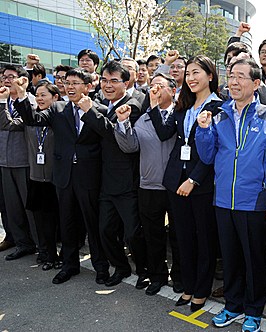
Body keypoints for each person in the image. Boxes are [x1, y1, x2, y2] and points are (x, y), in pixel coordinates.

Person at [196, 58, 266, 332]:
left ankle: (254, 310)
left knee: (253, 259)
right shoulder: (220, 114)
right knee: (231, 257)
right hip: (223, 199)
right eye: (231, 76)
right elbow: (208, 155)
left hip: (254, 200)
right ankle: (233, 305)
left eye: (241, 77)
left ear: (256, 83)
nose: (233, 82)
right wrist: (202, 130)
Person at [16, 68, 109, 284]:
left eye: (76, 83)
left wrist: (90, 112)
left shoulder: (100, 109)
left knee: (92, 224)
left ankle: (101, 266)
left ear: (87, 86)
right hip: (64, 176)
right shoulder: (57, 108)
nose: (70, 86)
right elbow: (33, 119)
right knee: (66, 222)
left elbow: (107, 136)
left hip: (89, 176)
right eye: (67, 83)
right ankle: (69, 265)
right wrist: (21, 94)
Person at [148, 55, 221, 312]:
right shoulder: (183, 106)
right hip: (175, 182)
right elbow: (164, 133)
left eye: (196, 72)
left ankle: (201, 289)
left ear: (210, 75)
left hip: (201, 184)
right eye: (188, 73)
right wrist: (155, 105)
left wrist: (194, 179)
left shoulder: (219, 108)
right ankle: (189, 287)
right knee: (182, 238)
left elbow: (215, 151)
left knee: (204, 239)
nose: (190, 77)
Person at [80, 61, 147, 288]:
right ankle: (121, 267)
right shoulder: (102, 104)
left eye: (114, 81)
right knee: (105, 230)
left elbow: (114, 135)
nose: (108, 85)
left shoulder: (133, 105)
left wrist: (90, 112)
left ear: (126, 83)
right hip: (106, 182)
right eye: (105, 80)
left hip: (127, 182)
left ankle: (144, 270)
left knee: (132, 234)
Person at [114, 73, 182, 296]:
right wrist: (123, 123)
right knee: (153, 235)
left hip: (176, 186)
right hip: (149, 185)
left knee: (178, 235)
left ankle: (180, 277)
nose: (155, 90)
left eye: (160, 86)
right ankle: (157, 275)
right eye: (152, 86)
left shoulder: (180, 116)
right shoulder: (142, 118)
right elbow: (130, 147)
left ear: (172, 90)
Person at [0, 80, 61, 270]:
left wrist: (22, 93)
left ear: (56, 97)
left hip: (56, 178)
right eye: (39, 94)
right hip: (36, 177)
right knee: (40, 219)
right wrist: (8, 98)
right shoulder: (29, 118)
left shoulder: (59, 116)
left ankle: (63, 255)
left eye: (45, 95)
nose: (41, 98)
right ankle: (45, 253)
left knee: (58, 220)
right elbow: (10, 122)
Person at [0, 65, 40, 262]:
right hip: (4, 163)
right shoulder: (2, 101)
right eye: (4, 76)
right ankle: (22, 243)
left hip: (24, 162)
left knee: (30, 208)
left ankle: (41, 245)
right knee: (12, 207)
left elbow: (11, 125)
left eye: (12, 77)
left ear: (23, 80)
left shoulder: (29, 102)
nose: (6, 80)